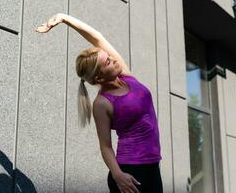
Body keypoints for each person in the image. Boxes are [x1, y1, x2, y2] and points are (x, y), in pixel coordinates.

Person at [35, 13, 163, 193]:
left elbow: (97, 37)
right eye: (108, 61)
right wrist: (117, 174)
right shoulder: (102, 103)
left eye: (110, 57)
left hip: (152, 165)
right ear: (99, 76)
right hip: (130, 172)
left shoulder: (126, 77)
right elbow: (105, 146)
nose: (114, 59)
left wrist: (65, 18)